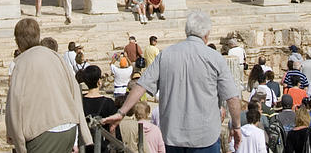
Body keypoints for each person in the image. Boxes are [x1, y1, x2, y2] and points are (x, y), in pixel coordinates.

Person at [103, 9, 244, 153]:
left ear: (186, 31)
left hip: (172, 137)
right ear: (206, 35)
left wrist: (121, 113)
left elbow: (141, 85)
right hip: (205, 137)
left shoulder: (166, 55)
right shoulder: (215, 58)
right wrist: (237, 126)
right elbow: (232, 97)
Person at [5, 18, 92, 153]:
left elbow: (14, 102)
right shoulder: (55, 56)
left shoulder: (21, 63)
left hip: (42, 132)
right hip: (68, 127)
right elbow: (74, 89)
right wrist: (84, 133)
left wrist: (15, 138)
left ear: (17, 41)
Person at [77, 65, 118, 153]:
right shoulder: (108, 103)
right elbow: (113, 129)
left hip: (84, 145)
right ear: (99, 81)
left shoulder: (79, 101)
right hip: (103, 147)